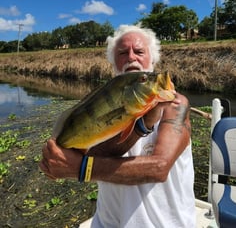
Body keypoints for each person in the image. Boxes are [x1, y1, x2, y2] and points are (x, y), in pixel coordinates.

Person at [39, 24, 196, 228]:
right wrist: (57, 159)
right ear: (114, 63)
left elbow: (159, 168)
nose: (131, 57)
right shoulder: (106, 102)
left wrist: (81, 168)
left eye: (139, 51)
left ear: (153, 59)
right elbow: (96, 155)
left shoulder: (175, 105)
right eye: (123, 53)